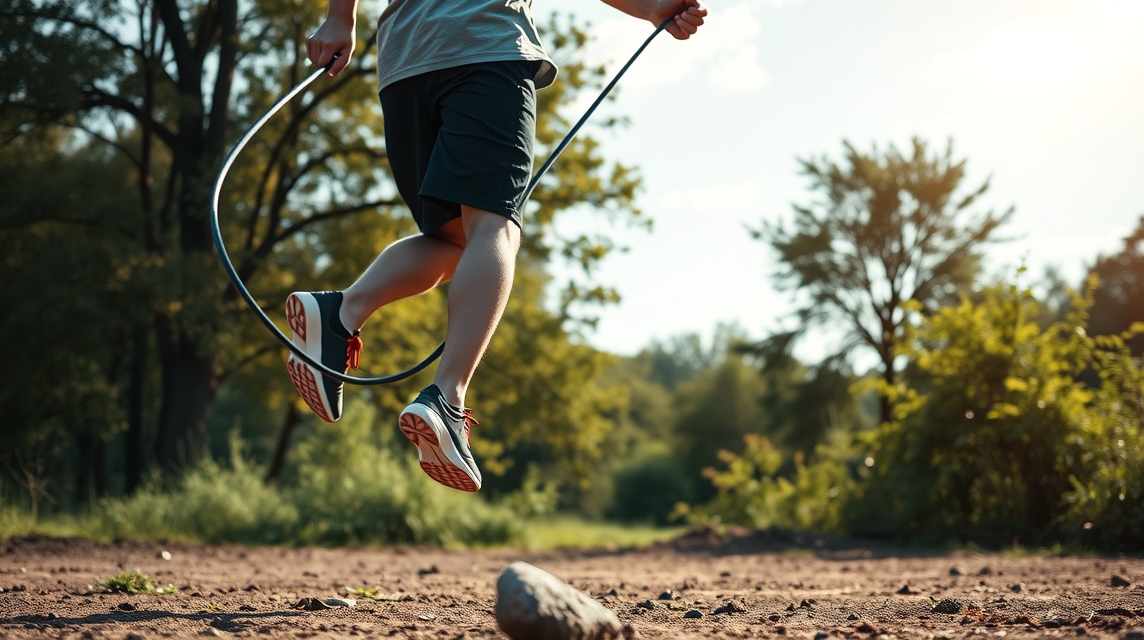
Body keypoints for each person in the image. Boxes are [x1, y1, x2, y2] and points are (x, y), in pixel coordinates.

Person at [286, 0, 707, 492]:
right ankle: (447, 397)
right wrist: (651, 6)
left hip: (404, 61)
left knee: (452, 240)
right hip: (484, 45)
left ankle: (339, 313)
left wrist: (342, 16)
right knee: (494, 228)